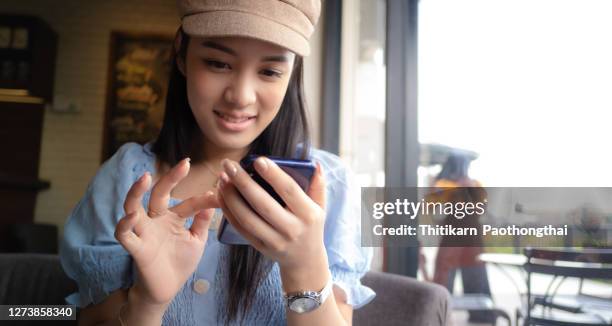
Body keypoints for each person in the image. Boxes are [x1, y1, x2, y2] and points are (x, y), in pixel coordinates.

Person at [59, 1, 375, 325]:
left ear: (291, 74)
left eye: (269, 71)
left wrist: (304, 268)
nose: (241, 97)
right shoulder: (125, 179)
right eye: (218, 63)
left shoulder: (333, 187)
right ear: (181, 54)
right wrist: (147, 302)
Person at [430, 153, 494, 323]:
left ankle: (480, 316)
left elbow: (483, 208)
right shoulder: (442, 184)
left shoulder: (476, 184)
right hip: (451, 240)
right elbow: (433, 209)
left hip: (472, 241)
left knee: (477, 278)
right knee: (444, 279)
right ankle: (437, 316)